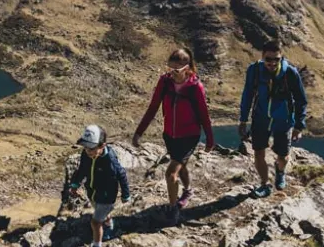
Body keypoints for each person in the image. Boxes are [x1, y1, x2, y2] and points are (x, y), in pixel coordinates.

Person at [132, 47, 214, 223]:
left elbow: (204, 114)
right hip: (170, 135)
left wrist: (210, 138)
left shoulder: (195, 87)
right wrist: (139, 132)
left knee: (171, 173)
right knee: (180, 165)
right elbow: (153, 107)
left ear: (188, 67)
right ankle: (188, 190)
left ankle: (173, 209)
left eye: (176, 70)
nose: (172, 73)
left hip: (189, 136)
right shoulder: (165, 82)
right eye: (170, 68)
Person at [238, 40, 308, 198]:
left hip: (283, 120)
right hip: (260, 118)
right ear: (262, 57)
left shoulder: (290, 73)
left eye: (276, 59)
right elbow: (247, 95)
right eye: (268, 59)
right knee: (258, 153)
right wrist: (243, 120)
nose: (272, 63)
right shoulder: (254, 70)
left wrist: (299, 125)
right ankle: (264, 184)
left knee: (283, 156)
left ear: (281, 57)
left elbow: (301, 100)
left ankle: (280, 171)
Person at [67, 125, 131, 247]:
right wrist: (75, 184)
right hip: (92, 191)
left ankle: (97, 243)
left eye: (91, 148)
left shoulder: (109, 161)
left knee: (95, 223)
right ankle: (108, 225)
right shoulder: (86, 154)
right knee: (99, 212)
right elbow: (82, 169)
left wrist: (125, 195)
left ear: (102, 146)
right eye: (85, 147)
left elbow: (122, 175)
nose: (87, 151)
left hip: (107, 196)